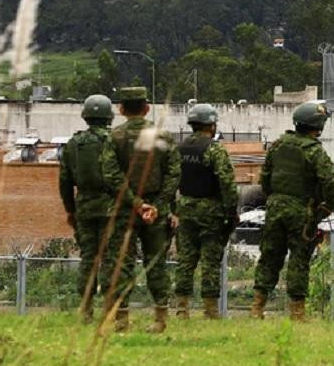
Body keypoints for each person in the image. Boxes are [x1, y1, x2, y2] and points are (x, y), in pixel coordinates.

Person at [251, 101, 334, 321]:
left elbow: (265, 179)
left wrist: (275, 198)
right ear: (317, 126)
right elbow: (329, 181)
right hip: (301, 210)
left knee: (269, 256)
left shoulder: (278, 145)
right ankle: (297, 313)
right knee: (299, 258)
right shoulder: (314, 151)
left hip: (275, 207)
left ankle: (256, 307)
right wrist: (328, 205)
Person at [110, 86, 181, 333]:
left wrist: (136, 204)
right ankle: (160, 319)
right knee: (156, 264)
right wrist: (158, 205)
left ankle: (121, 319)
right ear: (147, 108)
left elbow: (111, 176)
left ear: (121, 109)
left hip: (125, 210)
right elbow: (174, 173)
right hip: (156, 212)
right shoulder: (162, 136)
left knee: (123, 263)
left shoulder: (114, 137)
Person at [59, 94, 124, 323]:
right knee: (111, 258)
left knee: (88, 258)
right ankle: (110, 310)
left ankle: (85, 310)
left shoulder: (73, 144)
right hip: (112, 208)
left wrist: (71, 210)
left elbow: (65, 181)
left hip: (84, 208)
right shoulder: (116, 140)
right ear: (109, 116)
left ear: (85, 115)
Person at [173, 104, 238, 320]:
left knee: (185, 260)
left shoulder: (179, 149)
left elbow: (170, 181)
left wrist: (175, 208)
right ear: (211, 125)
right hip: (211, 211)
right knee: (210, 260)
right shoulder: (214, 149)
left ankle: (182, 309)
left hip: (186, 208)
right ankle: (210, 310)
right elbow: (226, 182)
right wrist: (231, 211)